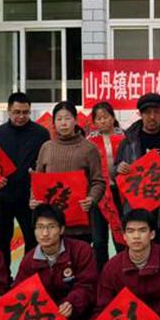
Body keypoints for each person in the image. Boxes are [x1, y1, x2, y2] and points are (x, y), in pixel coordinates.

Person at [0, 204, 97, 320]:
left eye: (51, 227)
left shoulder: (82, 250)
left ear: (62, 229)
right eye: (40, 227)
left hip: (73, 306)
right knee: (24, 314)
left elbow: (88, 284)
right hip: (47, 311)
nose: (45, 233)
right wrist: (0, 300)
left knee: (87, 311)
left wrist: (71, 302)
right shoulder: (29, 260)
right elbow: (19, 291)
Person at [116, 93, 160, 248]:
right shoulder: (128, 140)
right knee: (138, 251)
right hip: (137, 206)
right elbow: (115, 169)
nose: (152, 117)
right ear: (140, 114)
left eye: (156, 112)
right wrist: (119, 168)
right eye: (148, 112)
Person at [0, 92, 50, 272]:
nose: (21, 116)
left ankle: (28, 276)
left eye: (25, 112)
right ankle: (2, 278)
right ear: (8, 111)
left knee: (32, 239)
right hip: (2, 196)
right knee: (1, 240)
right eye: (17, 112)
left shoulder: (41, 134)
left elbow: (47, 164)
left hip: (29, 198)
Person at [30, 101, 106, 243]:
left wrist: (91, 199)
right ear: (54, 122)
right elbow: (37, 180)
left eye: (67, 118)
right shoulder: (46, 147)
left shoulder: (89, 148)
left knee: (79, 254)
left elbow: (98, 181)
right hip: (51, 223)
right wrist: (33, 199)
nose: (63, 123)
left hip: (80, 221)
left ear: (75, 120)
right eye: (59, 119)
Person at [86, 101, 126, 271]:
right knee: (99, 239)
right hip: (99, 192)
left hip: (121, 193)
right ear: (94, 121)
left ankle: (123, 270)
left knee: (121, 236)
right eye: (98, 118)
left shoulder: (125, 137)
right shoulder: (89, 141)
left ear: (113, 117)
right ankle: (102, 274)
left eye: (106, 117)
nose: (102, 121)